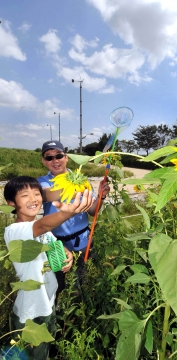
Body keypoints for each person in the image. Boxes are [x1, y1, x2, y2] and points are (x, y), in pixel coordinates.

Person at [4, 176, 94, 360]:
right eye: (25, 195)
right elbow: (42, 225)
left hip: (48, 304)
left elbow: (53, 244)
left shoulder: (45, 231)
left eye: (37, 194)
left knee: (44, 352)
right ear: (11, 202)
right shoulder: (15, 230)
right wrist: (68, 212)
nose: (33, 199)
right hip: (30, 311)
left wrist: (67, 255)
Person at [37, 140, 110, 297]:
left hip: (83, 240)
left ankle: (82, 315)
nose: (55, 160)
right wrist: (73, 186)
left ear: (66, 157)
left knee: (84, 280)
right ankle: (62, 318)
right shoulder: (41, 182)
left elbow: (92, 210)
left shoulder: (82, 180)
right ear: (44, 161)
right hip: (56, 243)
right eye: (49, 158)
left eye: (59, 156)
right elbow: (48, 194)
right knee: (58, 284)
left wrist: (101, 198)